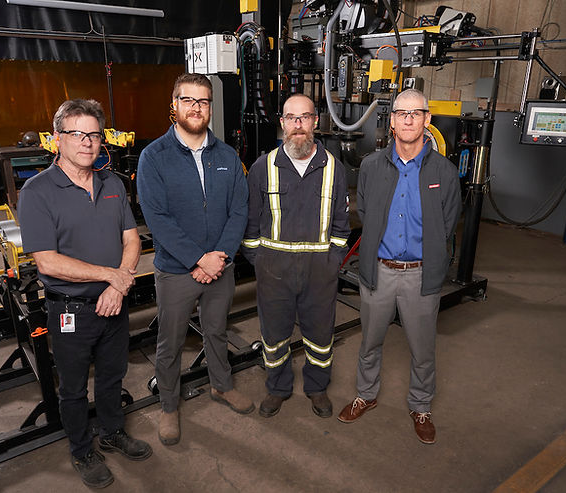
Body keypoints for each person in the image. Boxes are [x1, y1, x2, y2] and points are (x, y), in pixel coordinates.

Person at [18, 99, 151, 489]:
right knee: (73, 388)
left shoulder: (113, 183)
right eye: (77, 134)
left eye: (94, 134)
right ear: (58, 139)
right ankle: (81, 449)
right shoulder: (38, 191)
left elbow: (131, 239)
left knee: (112, 376)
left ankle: (111, 432)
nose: (87, 143)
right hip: (71, 311)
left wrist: (117, 283)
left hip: (115, 302)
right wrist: (113, 276)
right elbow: (47, 263)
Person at [336, 88, 461, 445]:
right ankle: (366, 394)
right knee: (370, 341)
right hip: (379, 272)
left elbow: (448, 222)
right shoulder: (373, 167)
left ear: (427, 120)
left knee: (422, 349)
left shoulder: (445, 172)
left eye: (415, 113)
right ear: (391, 122)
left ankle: (420, 405)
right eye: (401, 113)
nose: (408, 119)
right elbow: (366, 212)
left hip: (422, 276)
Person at [137, 73, 252, 447]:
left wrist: (219, 258)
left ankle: (221, 385)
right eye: (188, 100)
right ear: (174, 106)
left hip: (221, 266)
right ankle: (169, 406)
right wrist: (197, 259)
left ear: (210, 107)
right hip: (176, 271)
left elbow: (239, 210)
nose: (196, 108)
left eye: (203, 101)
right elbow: (157, 218)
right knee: (170, 342)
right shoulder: (154, 157)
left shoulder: (227, 155)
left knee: (217, 331)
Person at [241, 93, 350, 418]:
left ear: (316, 122)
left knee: (319, 334)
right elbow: (251, 223)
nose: (298, 124)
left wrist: (332, 261)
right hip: (274, 272)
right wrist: (259, 261)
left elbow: (342, 225)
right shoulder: (264, 168)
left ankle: (317, 388)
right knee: (274, 335)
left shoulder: (333, 168)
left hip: (320, 272)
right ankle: (278, 387)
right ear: (283, 123)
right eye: (291, 118)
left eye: (305, 117)